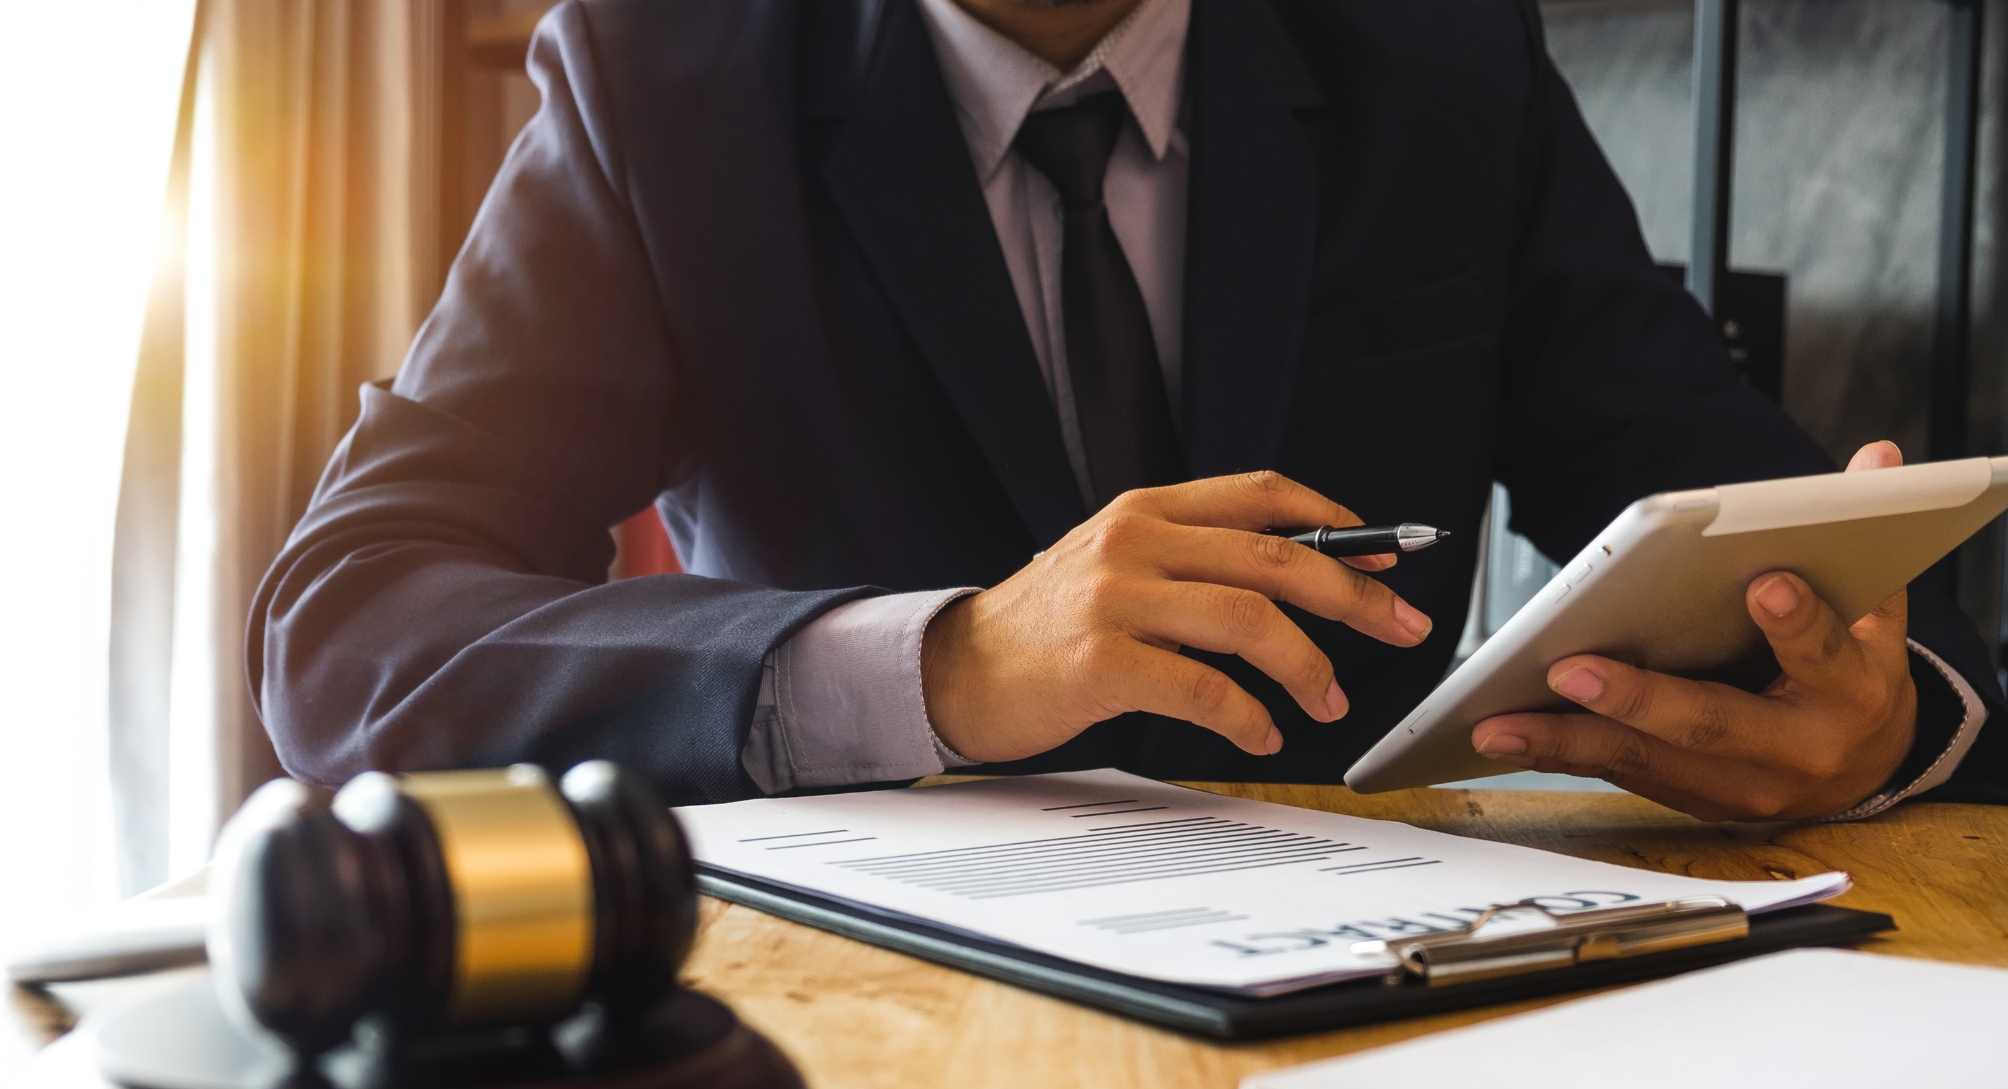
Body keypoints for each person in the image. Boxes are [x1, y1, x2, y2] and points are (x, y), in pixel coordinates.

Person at [251, 0, 2003, 821]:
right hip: (870, 1025)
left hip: (1396, 1001)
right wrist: (941, 662)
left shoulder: (1440, 59)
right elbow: (349, 625)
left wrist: (1883, 712)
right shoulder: (662, 78)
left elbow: (1758, 523)